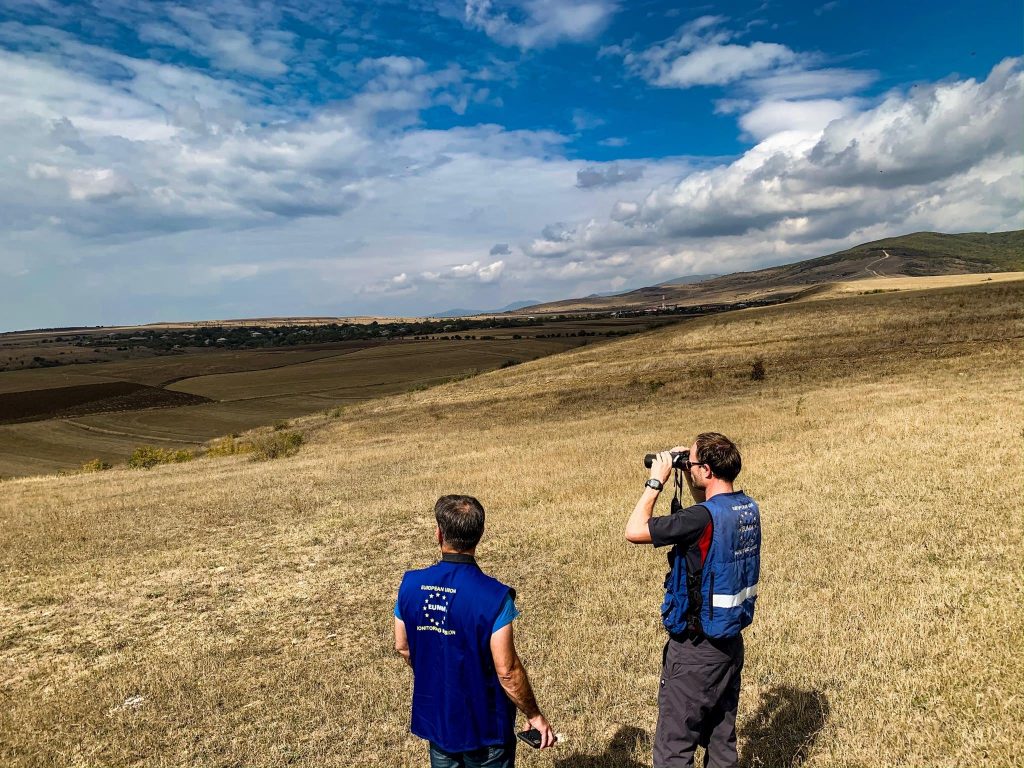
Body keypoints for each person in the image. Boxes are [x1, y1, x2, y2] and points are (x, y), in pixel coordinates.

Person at [624, 433, 761, 768]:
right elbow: (708, 517)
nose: (689, 467)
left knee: (674, 748)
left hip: (695, 650)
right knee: (721, 742)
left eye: (693, 462)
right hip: (729, 644)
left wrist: (656, 480)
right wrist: (689, 470)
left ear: (709, 471)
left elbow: (634, 530)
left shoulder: (699, 518)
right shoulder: (746, 508)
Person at [395, 494, 555, 767]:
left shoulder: (410, 585)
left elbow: (403, 646)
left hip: (438, 721)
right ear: (480, 535)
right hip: (485, 729)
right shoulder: (494, 597)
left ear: (439, 534)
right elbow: (507, 671)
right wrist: (534, 715)